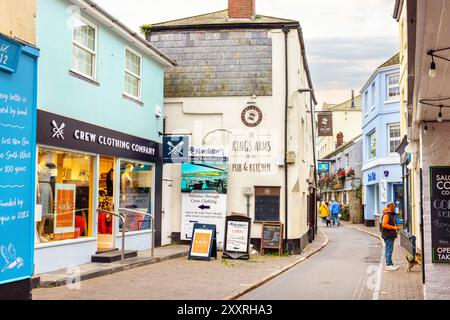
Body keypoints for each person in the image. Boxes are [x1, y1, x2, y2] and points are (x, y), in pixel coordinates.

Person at [381, 202, 400, 271]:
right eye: (393, 206)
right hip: (388, 235)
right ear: (391, 206)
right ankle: (389, 265)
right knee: (389, 250)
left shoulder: (389, 214)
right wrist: (394, 228)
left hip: (390, 234)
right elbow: (384, 225)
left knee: (388, 249)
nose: (394, 207)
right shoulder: (387, 215)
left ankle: (390, 264)